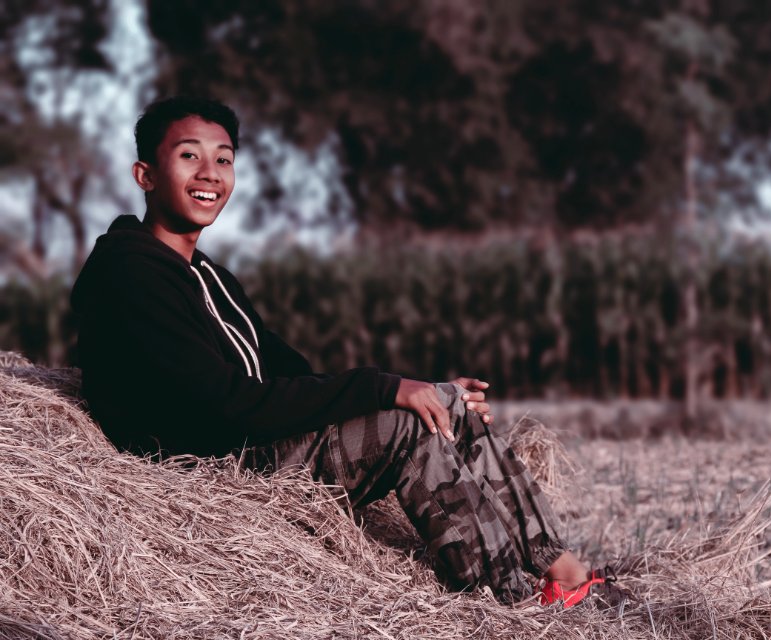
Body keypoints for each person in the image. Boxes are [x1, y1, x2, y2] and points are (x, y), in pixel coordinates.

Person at [71, 96, 627, 610]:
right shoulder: (131, 274)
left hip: (249, 443)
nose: (210, 174)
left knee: (441, 404)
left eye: (224, 159)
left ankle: (565, 573)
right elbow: (224, 402)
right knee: (406, 425)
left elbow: (290, 373)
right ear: (145, 174)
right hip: (210, 469)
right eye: (189, 156)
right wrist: (384, 389)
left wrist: (424, 391)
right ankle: (510, 603)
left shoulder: (211, 276)